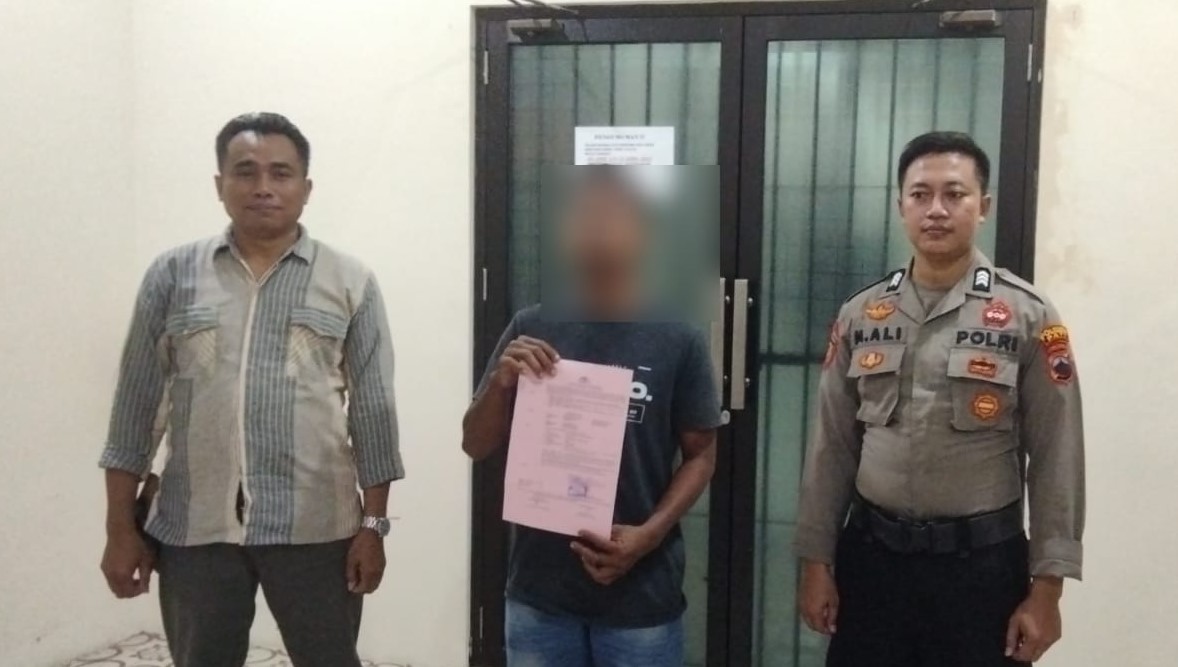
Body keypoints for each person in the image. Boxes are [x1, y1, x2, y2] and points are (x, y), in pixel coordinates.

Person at [98, 112, 404, 667]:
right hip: (194, 530)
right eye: (245, 171)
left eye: (281, 173)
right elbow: (135, 411)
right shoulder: (172, 276)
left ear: (306, 188)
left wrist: (374, 526)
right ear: (220, 184)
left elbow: (374, 413)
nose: (263, 186)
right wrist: (120, 528)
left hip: (317, 528)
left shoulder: (349, 281)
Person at [796, 131, 1085, 666]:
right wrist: (816, 561)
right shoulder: (862, 314)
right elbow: (831, 447)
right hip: (873, 565)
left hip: (981, 573)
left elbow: (1056, 457)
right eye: (920, 194)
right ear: (900, 207)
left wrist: (1048, 590)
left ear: (984, 206)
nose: (936, 209)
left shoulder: (1029, 315)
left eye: (954, 194)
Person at [462, 167, 722, 667]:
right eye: (584, 216)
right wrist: (500, 383)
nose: (597, 231)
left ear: (643, 233)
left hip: (641, 595)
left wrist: (649, 535)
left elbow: (701, 455)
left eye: (612, 216)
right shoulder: (532, 326)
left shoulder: (678, 336)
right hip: (540, 594)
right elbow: (475, 443)